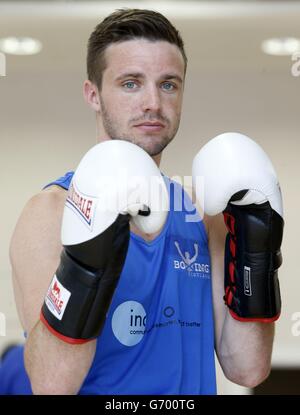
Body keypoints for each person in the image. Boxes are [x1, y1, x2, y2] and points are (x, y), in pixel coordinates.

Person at [9, 8, 283, 395]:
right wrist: (86, 266)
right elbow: (51, 384)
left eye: (168, 84)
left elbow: (248, 369)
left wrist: (259, 248)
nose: (153, 102)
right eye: (131, 83)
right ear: (94, 94)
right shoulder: (50, 212)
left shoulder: (203, 215)